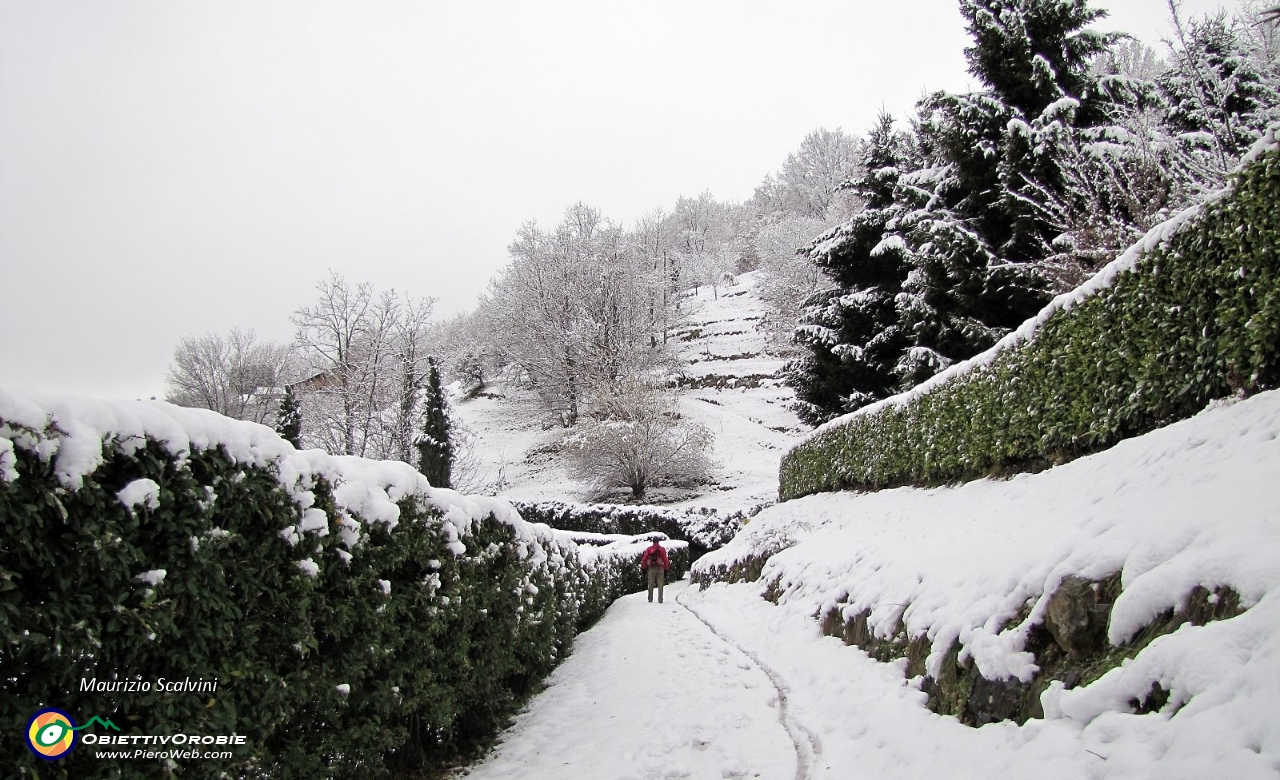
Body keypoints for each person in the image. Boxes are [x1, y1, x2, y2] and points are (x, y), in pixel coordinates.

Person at [640, 538, 670, 603]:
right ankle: (660, 599)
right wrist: (666, 569)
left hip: (651, 568)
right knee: (660, 584)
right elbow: (665, 559)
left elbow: (644, 559)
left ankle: (650, 599)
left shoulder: (649, 549)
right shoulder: (662, 549)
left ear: (653, 541)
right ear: (658, 541)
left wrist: (644, 568)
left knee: (650, 584)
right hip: (660, 568)